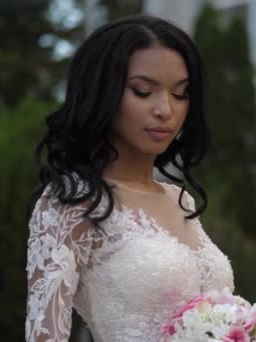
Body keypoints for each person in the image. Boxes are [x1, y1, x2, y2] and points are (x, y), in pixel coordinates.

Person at [24, 15, 235, 342]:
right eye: (142, 91)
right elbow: (44, 336)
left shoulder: (181, 200)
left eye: (181, 94)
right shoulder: (74, 200)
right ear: (101, 93)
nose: (165, 109)